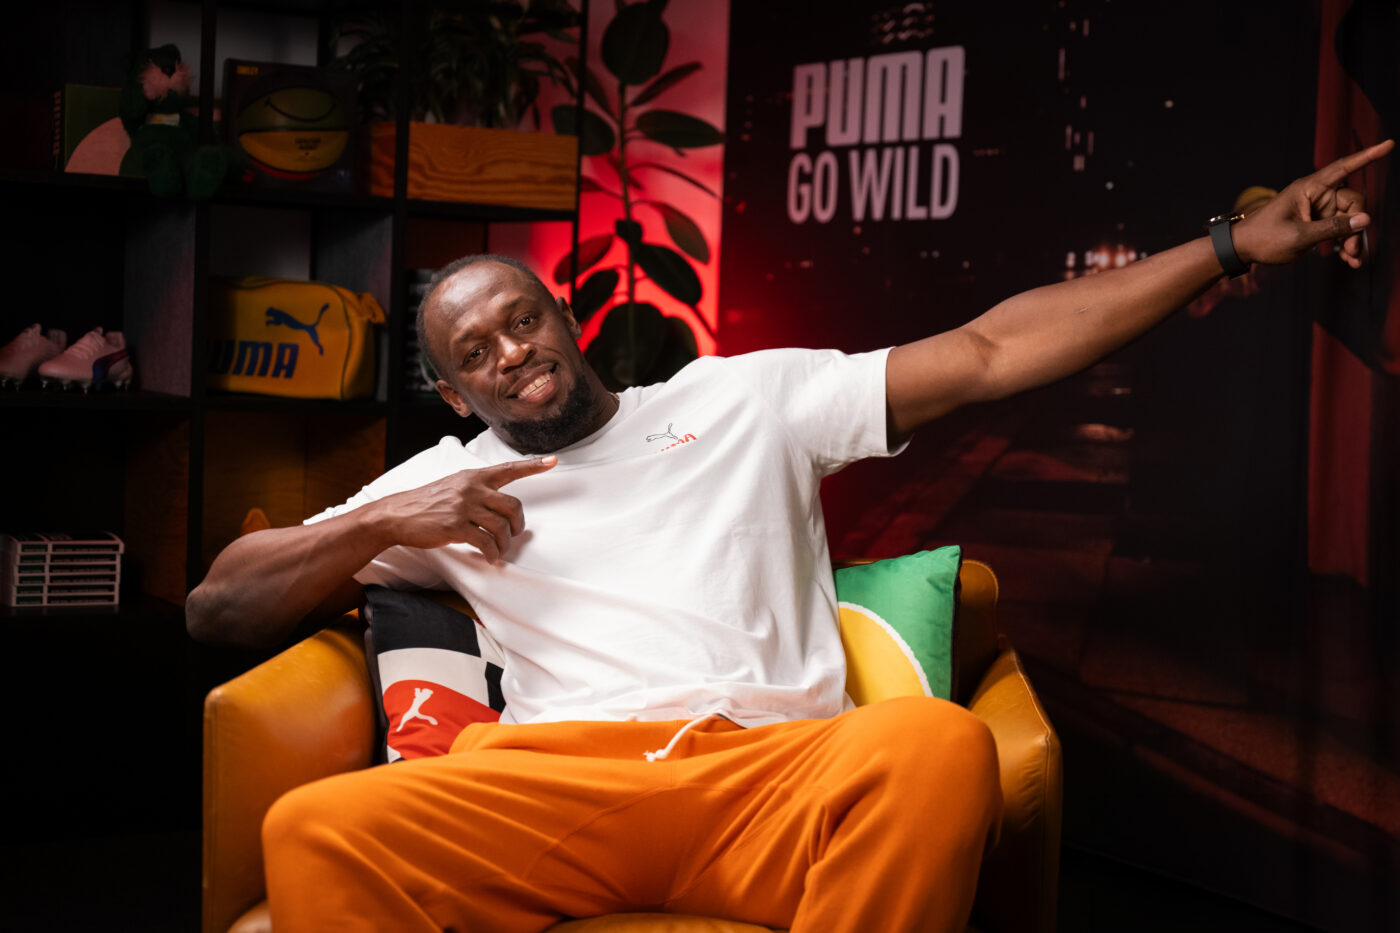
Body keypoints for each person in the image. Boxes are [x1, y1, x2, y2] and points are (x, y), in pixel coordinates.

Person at [187, 140, 1393, 933]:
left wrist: (1229, 246)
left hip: (769, 777)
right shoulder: (438, 487)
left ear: (564, 315)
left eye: (522, 320)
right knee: (313, 827)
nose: (511, 353)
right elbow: (217, 607)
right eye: (475, 354)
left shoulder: (740, 398)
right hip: (561, 786)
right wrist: (389, 518)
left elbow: (988, 352)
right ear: (455, 393)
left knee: (935, 748)